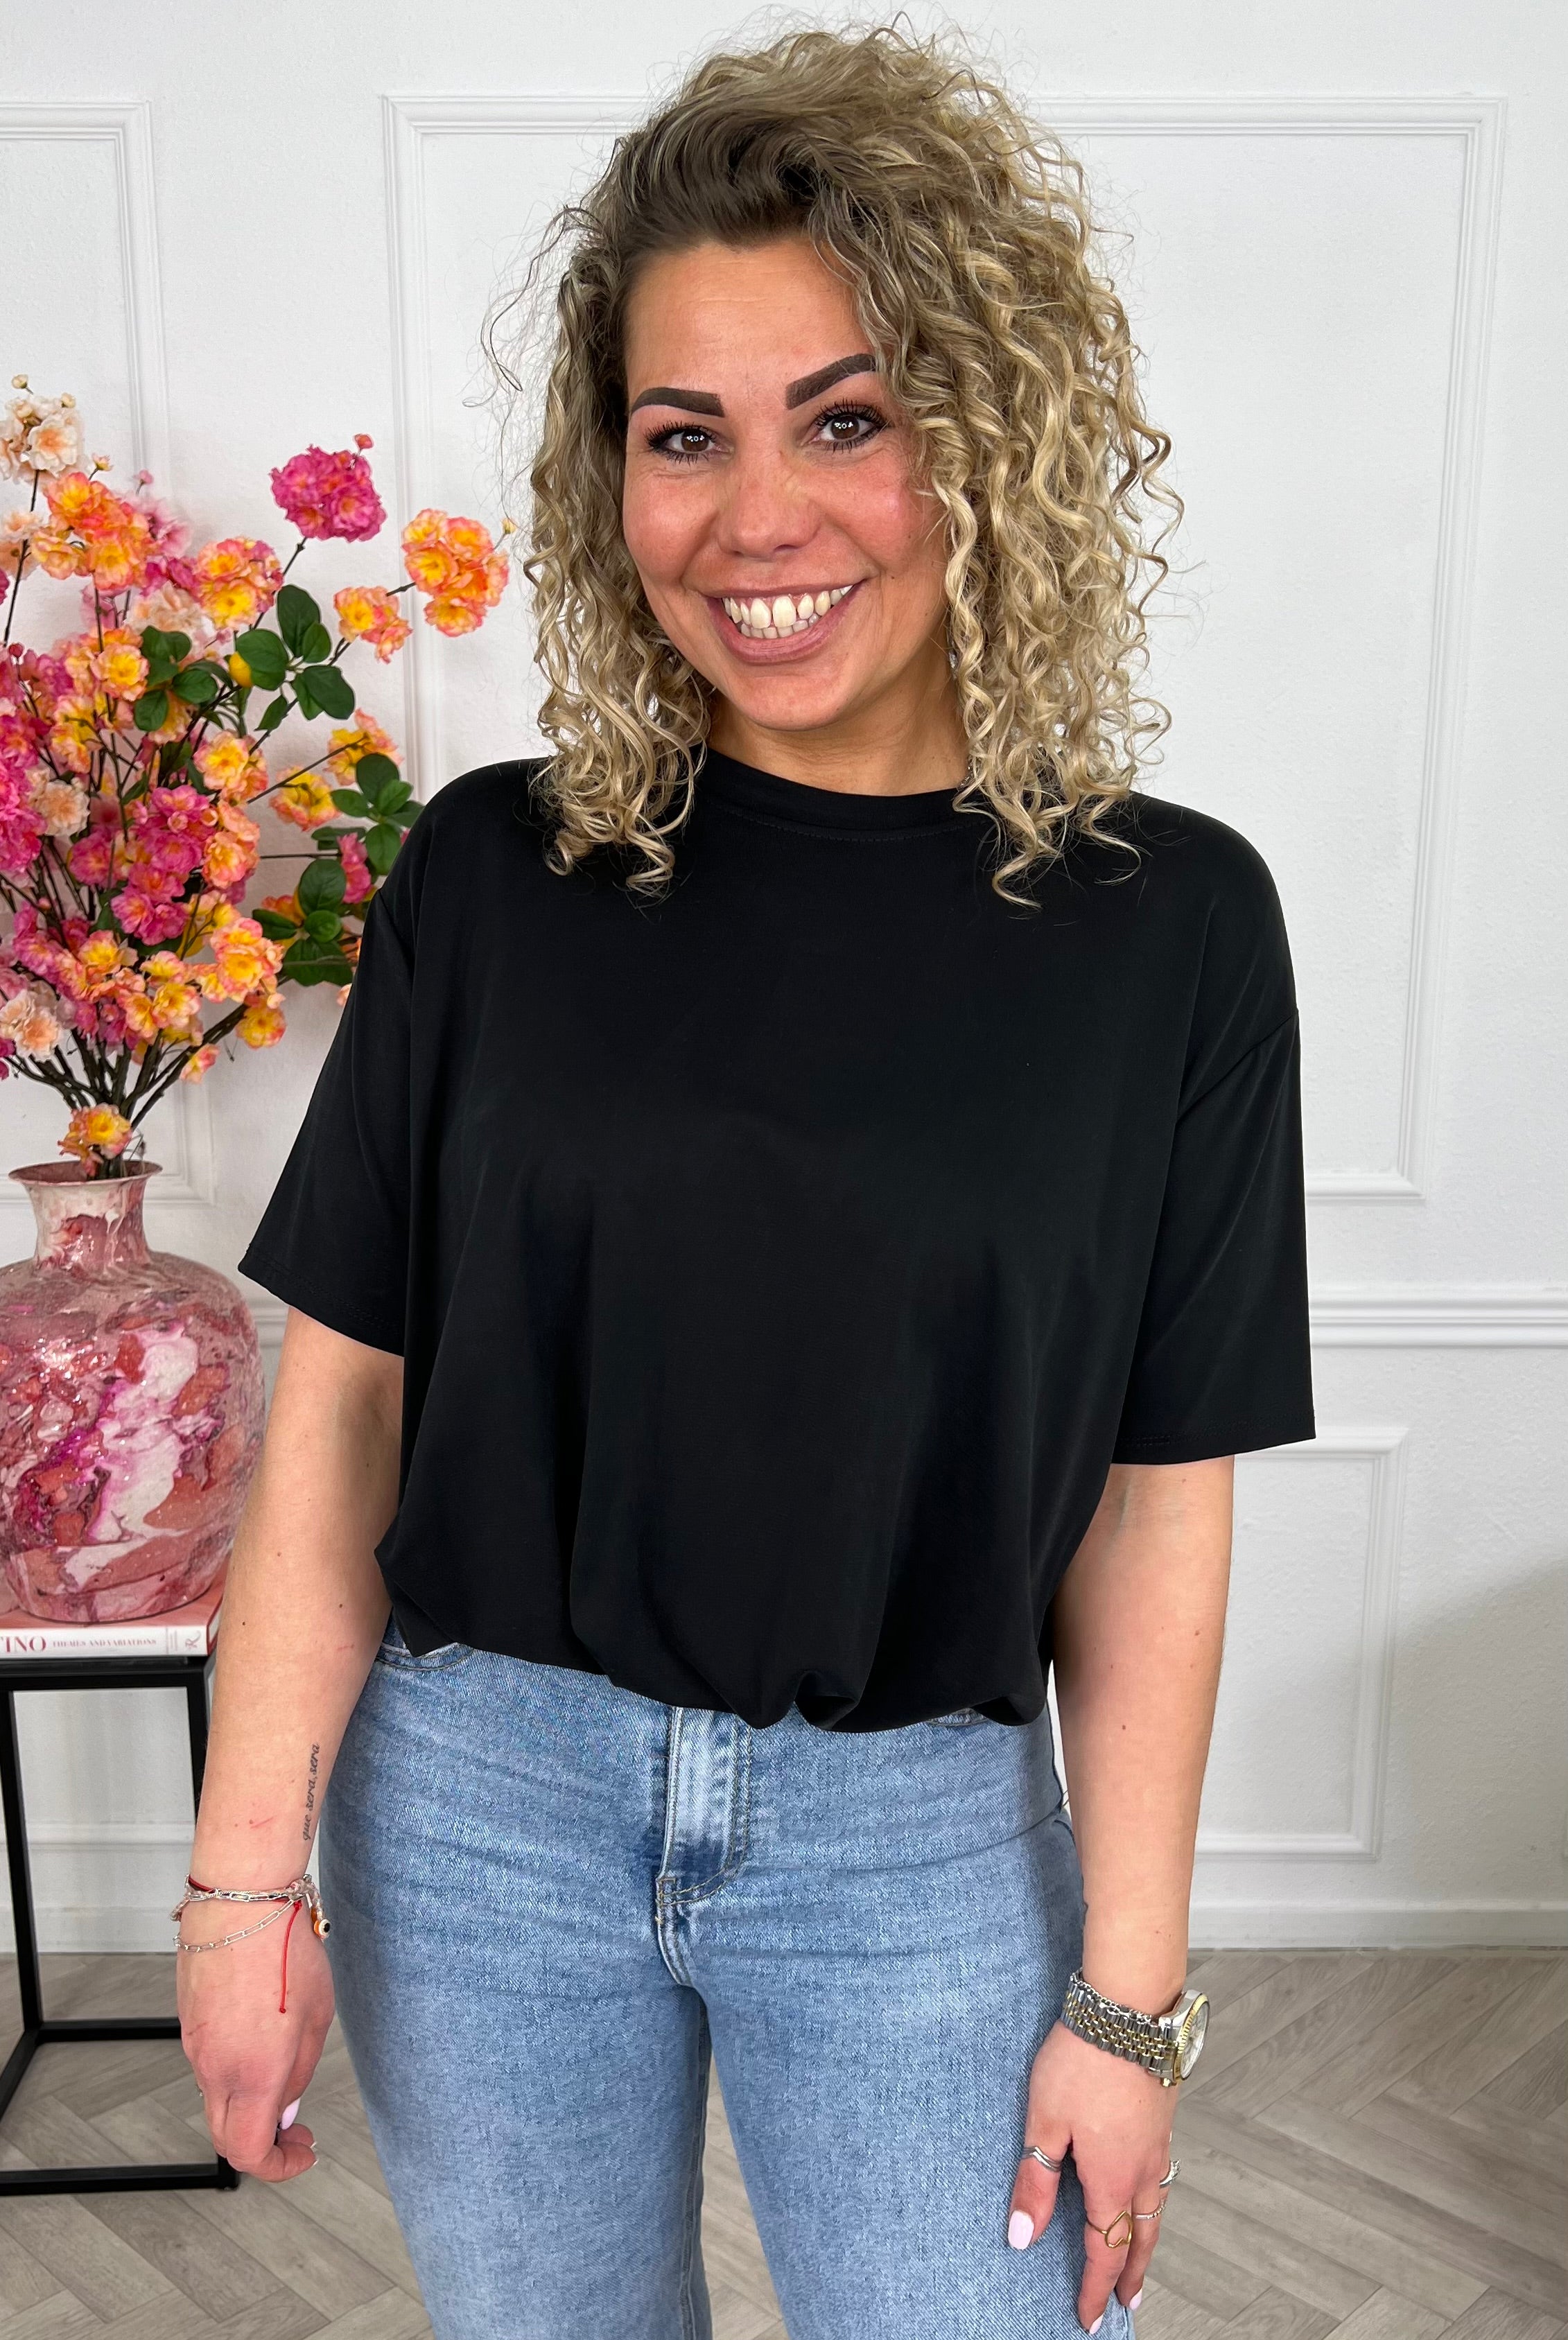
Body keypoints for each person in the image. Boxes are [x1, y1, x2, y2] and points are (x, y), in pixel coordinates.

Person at [176, 26, 1314, 2340]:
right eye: (683, 434)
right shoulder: (495, 875)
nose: (757, 519)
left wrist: (1128, 2005)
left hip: (916, 1847)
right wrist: (237, 1886)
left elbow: (1152, 1502)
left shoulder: (1172, 926)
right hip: (477, 1813)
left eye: (848, 420)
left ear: (983, 442)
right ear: (615, 475)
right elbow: (344, 1406)